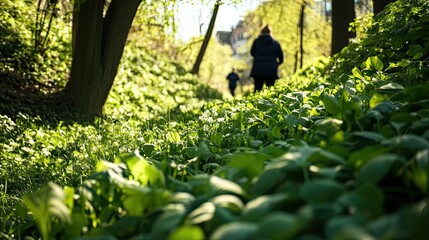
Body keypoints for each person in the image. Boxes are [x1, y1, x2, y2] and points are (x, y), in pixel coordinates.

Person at [250, 25, 284, 93]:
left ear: (261, 32)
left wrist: (258, 58)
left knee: (257, 90)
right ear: (270, 32)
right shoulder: (275, 43)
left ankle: (256, 103)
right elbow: (281, 58)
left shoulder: (256, 42)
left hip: (258, 69)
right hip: (271, 70)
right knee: (270, 91)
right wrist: (276, 64)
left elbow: (252, 53)